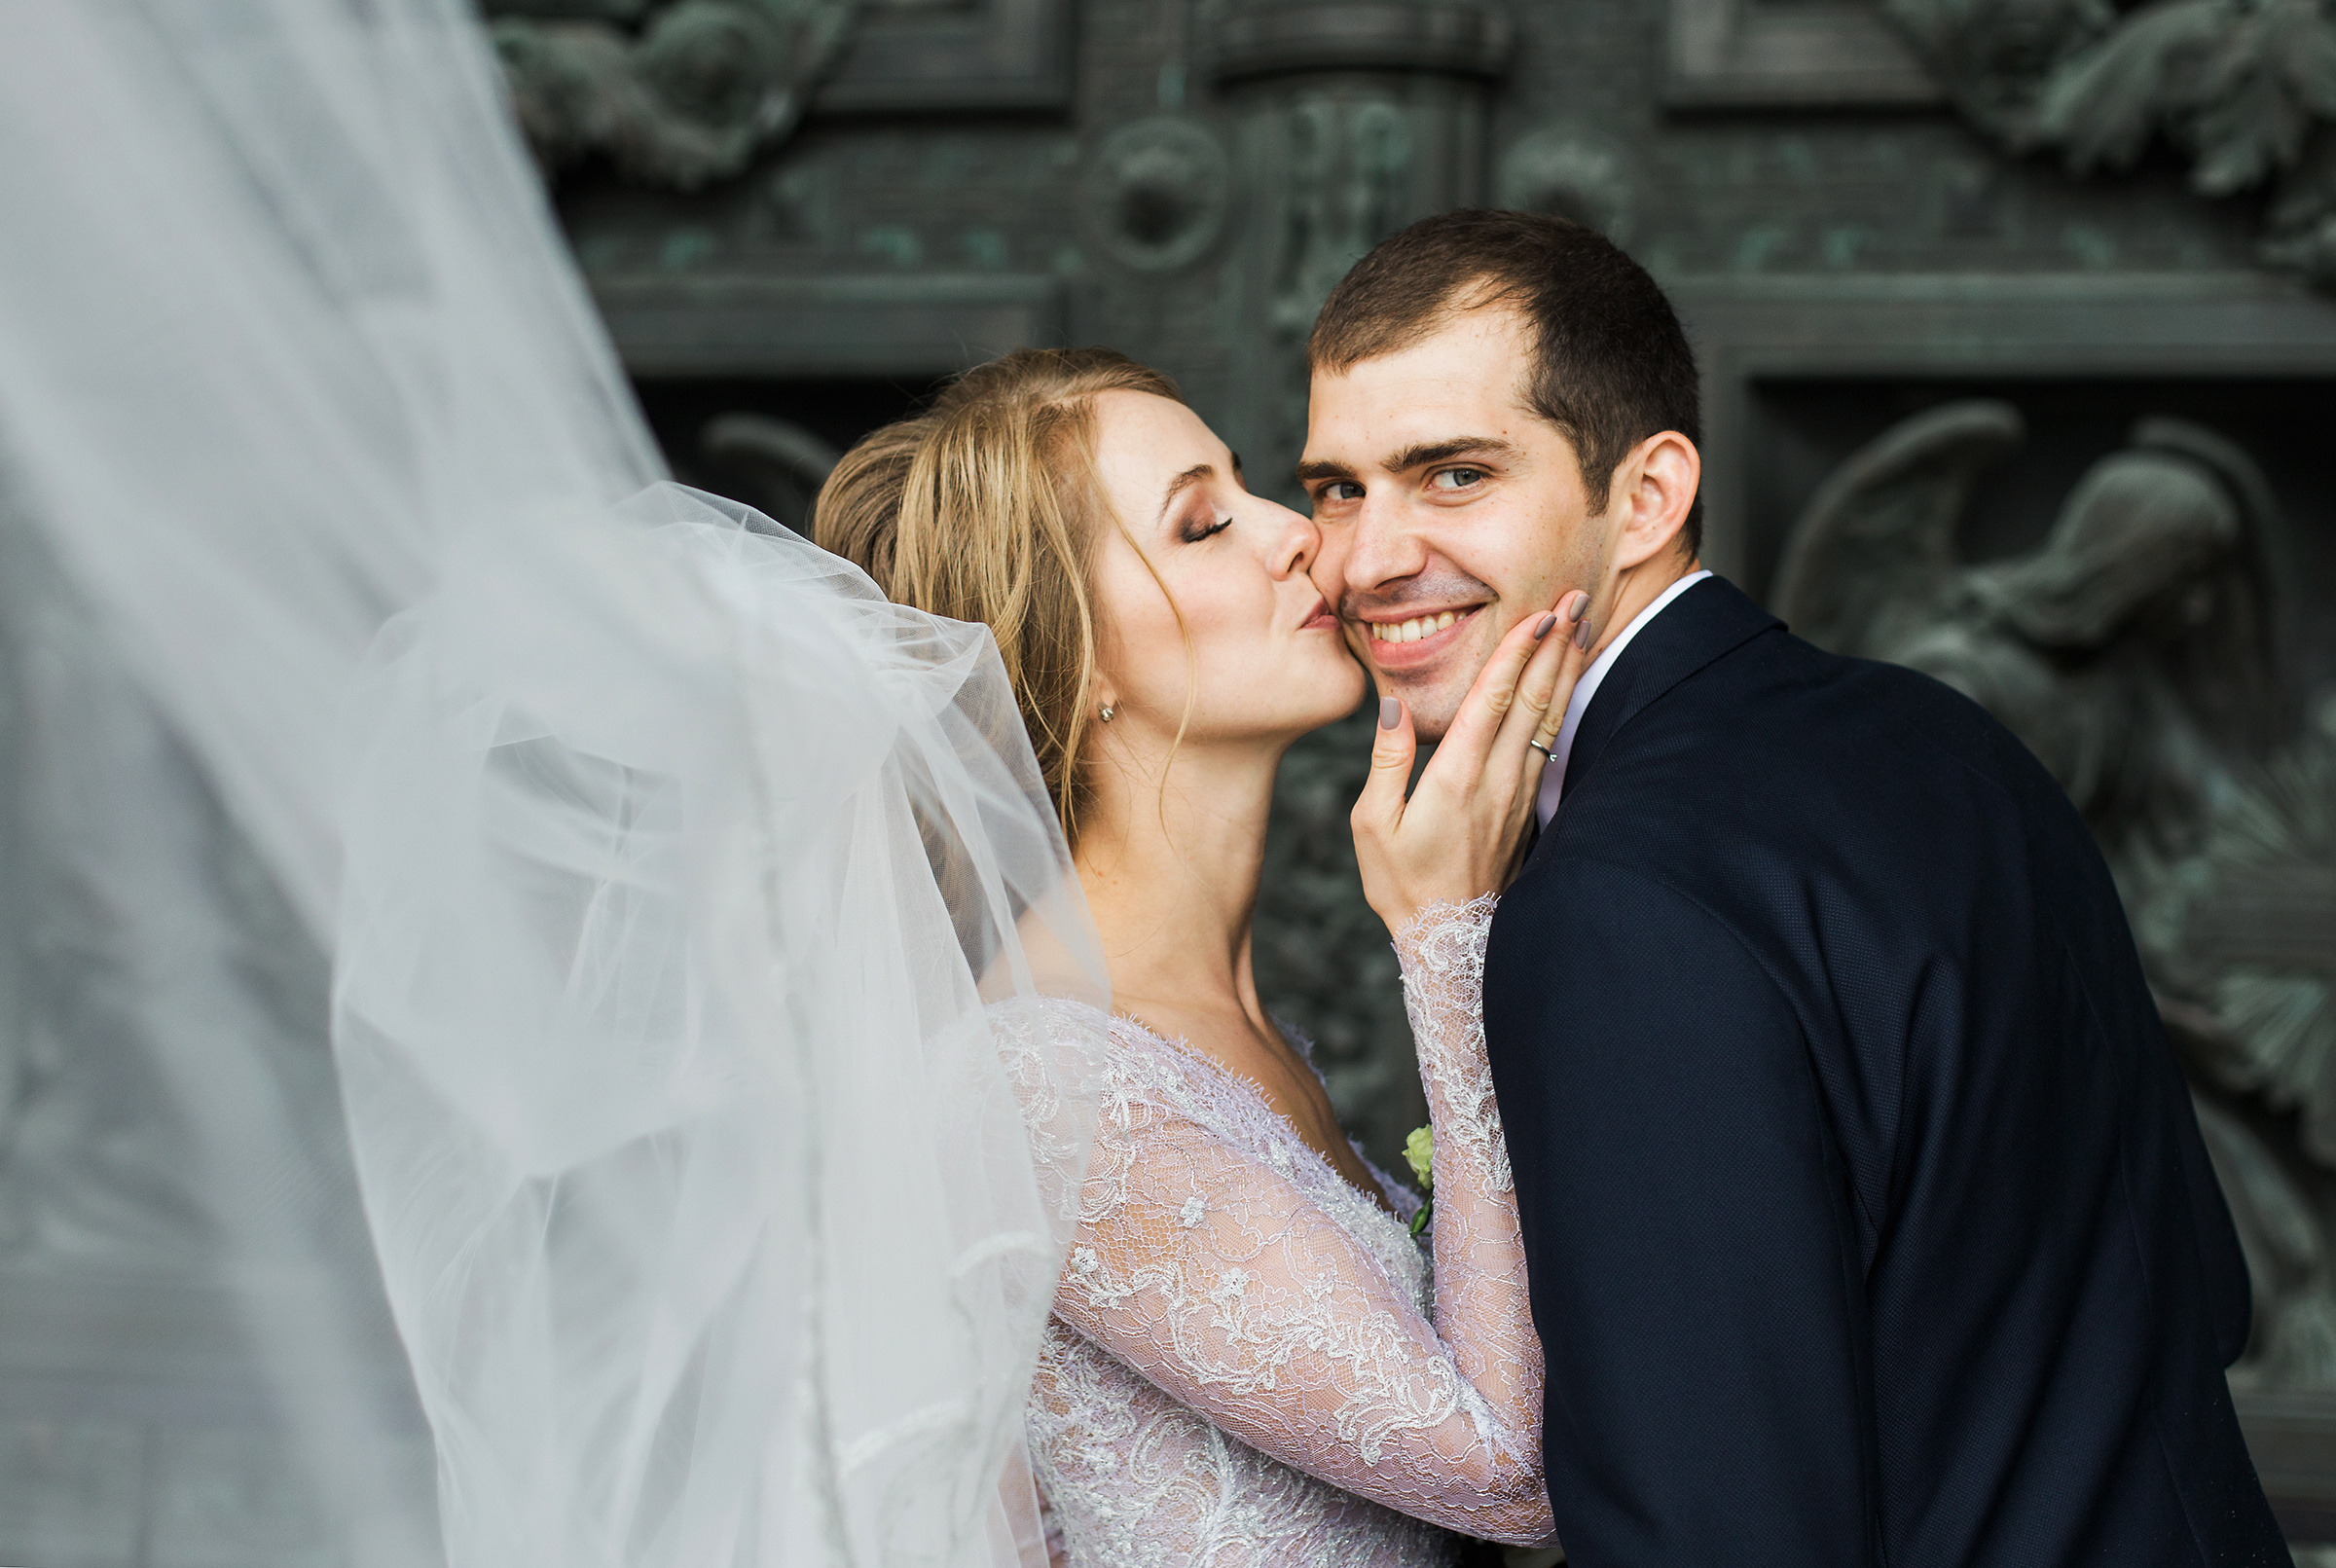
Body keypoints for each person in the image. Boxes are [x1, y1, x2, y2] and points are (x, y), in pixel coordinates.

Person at [1301, 207, 2289, 1565]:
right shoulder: (1945, 733)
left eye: (1453, 474)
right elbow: (2196, 1278)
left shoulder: (1614, 902)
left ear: (1645, 495)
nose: (1365, 557)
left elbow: (1714, 1526)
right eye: (1338, 486)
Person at [813, 347, 1587, 1564]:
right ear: (1083, 661)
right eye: (1203, 523)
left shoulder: (1222, 1029)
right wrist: (1448, 940)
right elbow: (1506, 1475)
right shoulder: (1047, 1089)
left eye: (1252, 489)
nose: (1295, 534)